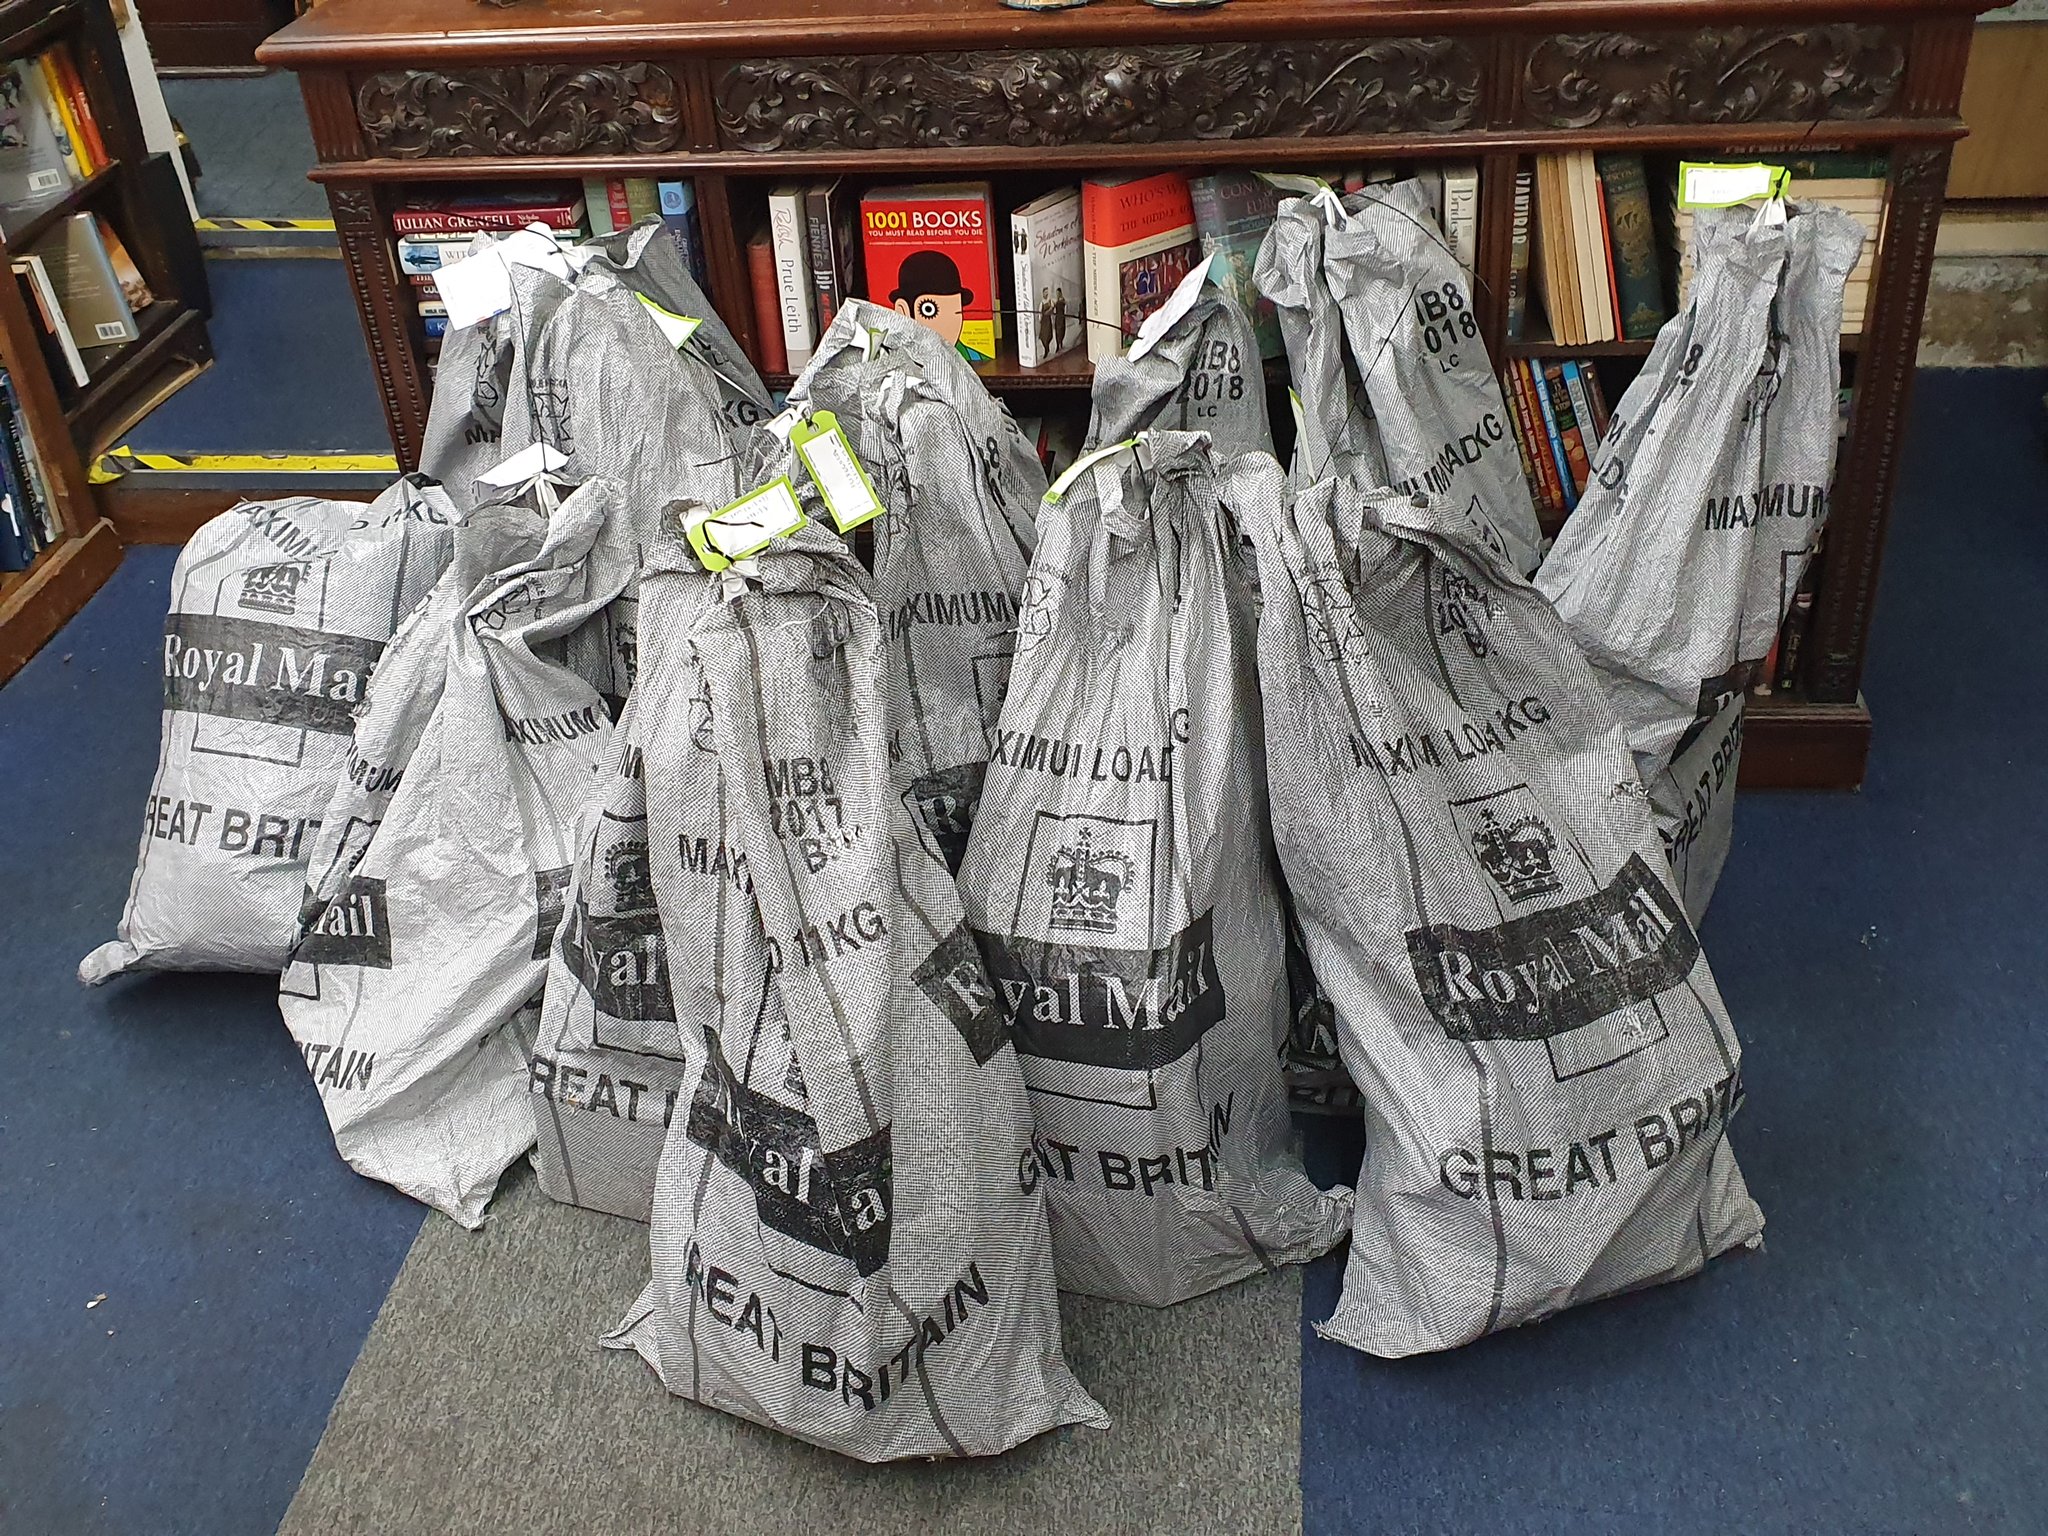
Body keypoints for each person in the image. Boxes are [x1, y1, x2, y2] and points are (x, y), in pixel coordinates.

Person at [890, 249, 991, 363]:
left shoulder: (976, 358)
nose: (947, 321)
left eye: (956, 311)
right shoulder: (892, 357)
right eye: (929, 310)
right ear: (903, 311)